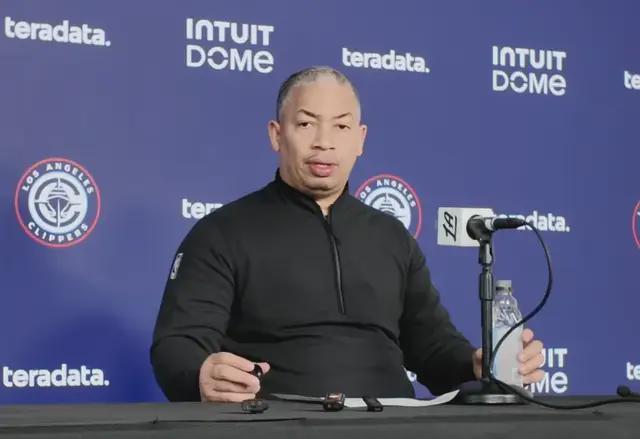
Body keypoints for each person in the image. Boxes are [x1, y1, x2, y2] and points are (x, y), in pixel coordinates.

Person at [151, 66, 544, 402]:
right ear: (276, 134)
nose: (324, 142)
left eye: (341, 126)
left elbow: (433, 348)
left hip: (396, 424)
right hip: (279, 424)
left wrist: (477, 365)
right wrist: (200, 375)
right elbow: (178, 345)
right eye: (306, 124)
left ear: (360, 140)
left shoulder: (391, 236)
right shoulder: (222, 233)